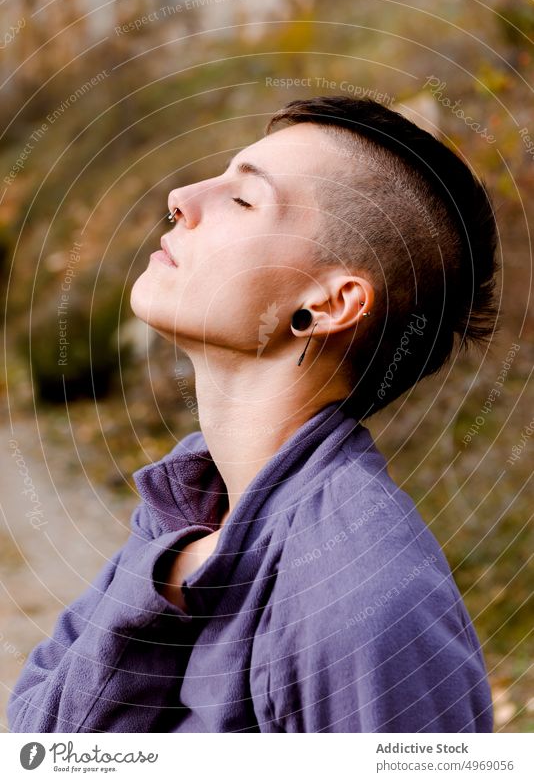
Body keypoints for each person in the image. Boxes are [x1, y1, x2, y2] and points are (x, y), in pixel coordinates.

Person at [8, 95, 497, 733]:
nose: (180, 196)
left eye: (243, 200)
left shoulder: (364, 597)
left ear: (327, 303)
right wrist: (171, 580)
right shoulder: (186, 506)